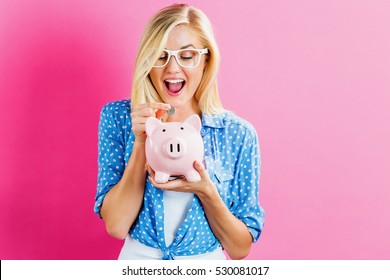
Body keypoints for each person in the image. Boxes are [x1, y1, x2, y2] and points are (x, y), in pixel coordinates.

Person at [94, 4, 265, 260]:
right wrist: (141, 141)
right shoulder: (119, 118)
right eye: (160, 56)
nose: (172, 69)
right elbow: (116, 226)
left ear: (206, 59)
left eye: (187, 56)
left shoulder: (237, 134)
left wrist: (206, 191)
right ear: (147, 61)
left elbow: (239, 248)